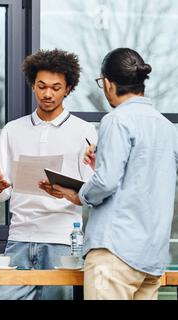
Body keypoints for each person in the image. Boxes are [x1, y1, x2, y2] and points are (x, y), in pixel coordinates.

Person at [40, 48, 178, 300]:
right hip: (151, 257)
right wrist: (101, 163)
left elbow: (105, 182)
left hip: (115, 253)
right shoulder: (167, 128)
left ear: (107, 83)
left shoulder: (117, 120)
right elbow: (144, 179)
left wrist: (80, 193)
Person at [0, 49, 97, 300]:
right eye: (42, 86)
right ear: (33, 86)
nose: (48, 94)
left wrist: (67, 193)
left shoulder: (84, 131)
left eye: (56, 87)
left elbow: (92, 192)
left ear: (68, 88)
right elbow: (2, 194)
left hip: (63, 242)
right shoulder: (12, 130)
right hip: (19, 239)